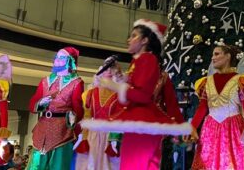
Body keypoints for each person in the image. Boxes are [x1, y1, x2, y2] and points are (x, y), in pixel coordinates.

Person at [80, 20, 191, 170]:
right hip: (140, 123)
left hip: (144, 123)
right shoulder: (138, 62)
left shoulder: (148, 59)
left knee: (136, 165)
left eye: (134, 36)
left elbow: (143, 95)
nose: (129, 39)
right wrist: (121, 78)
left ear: (144, 40)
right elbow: (136, 86)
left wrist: (114, 85)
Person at [187, 45, 244, 169]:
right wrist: (192, 126)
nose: (213, 58)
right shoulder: (206, 82)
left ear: (228, 56)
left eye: (217, 54)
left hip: (233, 128)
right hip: (210, 128)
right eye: (213, 55)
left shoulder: (240, 80)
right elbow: (203, 107)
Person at [27, 48, 84, 170]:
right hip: (42, 130)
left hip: (62, 132)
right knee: (36, 165)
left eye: (61, 58)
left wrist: (74, 117)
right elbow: (32, 105)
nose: (57, 61)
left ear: (70, 61)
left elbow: (78, 109)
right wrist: (40, 104)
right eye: (56, 57)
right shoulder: (45, 81)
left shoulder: (76, 83)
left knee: (58, 165)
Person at [75, 56, 123, 170]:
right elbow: (86, 117)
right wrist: (83, 137)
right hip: (93, 136)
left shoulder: (121, 94)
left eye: (112, 69)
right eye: (106, 68)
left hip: (110, 136)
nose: (109, 71)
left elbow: (120, 117)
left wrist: (115, 138)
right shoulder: (89, 94)